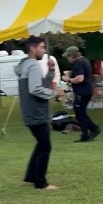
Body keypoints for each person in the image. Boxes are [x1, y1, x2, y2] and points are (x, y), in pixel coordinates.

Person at [15, 36, 61, 191]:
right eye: (42, 47)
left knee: (41, 144)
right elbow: (35, 89)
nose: (44, 50)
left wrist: (51, 71)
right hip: (37, 112)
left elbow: (41, 84)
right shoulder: (33, 65)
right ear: (32, 48)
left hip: (31, 112)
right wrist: (54, 93)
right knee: (45, 146)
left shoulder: (25, 65)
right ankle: (40, 182)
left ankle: (31, 176)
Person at [62, 46, 99, 142]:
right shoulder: (84, 61)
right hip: (86, 91)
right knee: (80, 113)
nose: (67, 58)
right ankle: (92, 130)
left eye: (68, 56)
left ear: (72, 55)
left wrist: (68, 79)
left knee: (80, 114)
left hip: (82, 91)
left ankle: (88, 133)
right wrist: (71, 73)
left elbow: (80, 78)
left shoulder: (79, 63)